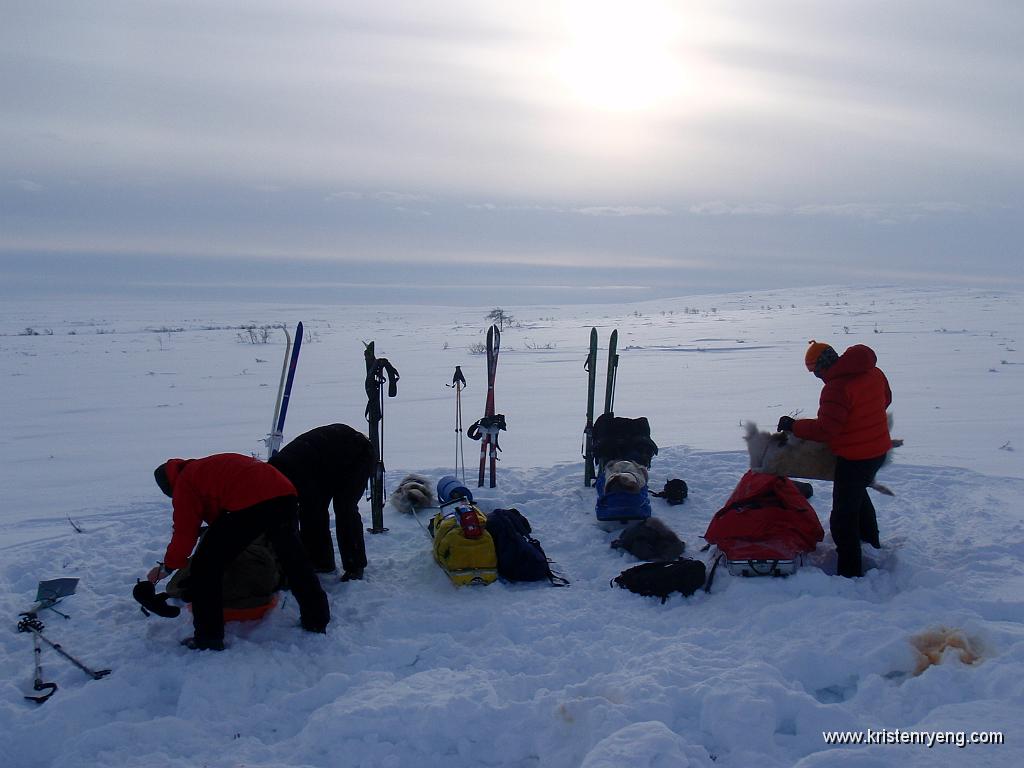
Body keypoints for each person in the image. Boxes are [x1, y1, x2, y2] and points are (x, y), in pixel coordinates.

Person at [147, 453, 330, 650]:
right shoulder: (203, 468)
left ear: (169, 486)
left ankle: (209, 637)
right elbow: (220, 513)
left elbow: (185, 532)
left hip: (254, 502)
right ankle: (316, 619)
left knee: (205, 567)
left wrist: (168, 567)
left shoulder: (184, 482)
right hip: (285, 494)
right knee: (293, 560)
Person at [777, 340, 892, 578]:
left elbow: (825, 430)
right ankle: (871, 543)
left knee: (842, 519)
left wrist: (793, 425)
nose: (815, 376)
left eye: (813, 371)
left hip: (855, 458)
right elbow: (885, 400)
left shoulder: (836, 388)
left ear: (819, 368)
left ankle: (850, 574)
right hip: (878, 450)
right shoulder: (873, 371)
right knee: (857, 495)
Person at [268, 423, 373, 580]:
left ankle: (355, 566)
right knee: (311, 511)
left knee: (344, 508)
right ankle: (321, 562)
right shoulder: (277, 478)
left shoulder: (289, 477)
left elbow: (288, 519)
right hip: (324, 462)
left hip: (357, 454)